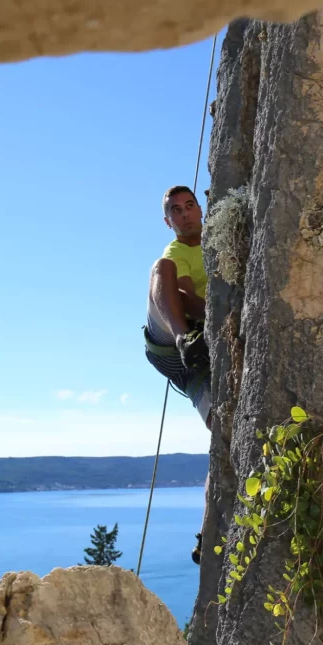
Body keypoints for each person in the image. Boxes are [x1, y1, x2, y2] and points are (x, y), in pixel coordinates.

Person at [143, 185, 212, 564]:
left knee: (225, 430)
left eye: (189, 206)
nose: (184, 214)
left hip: (202, 357)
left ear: (200, 208)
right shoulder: (176, 253)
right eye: (176, 210)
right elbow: (184, 298)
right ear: (167, 221)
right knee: (161, 269)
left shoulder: (215, 239)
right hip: (170, 344)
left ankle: (207, 530)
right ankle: (184, 338)